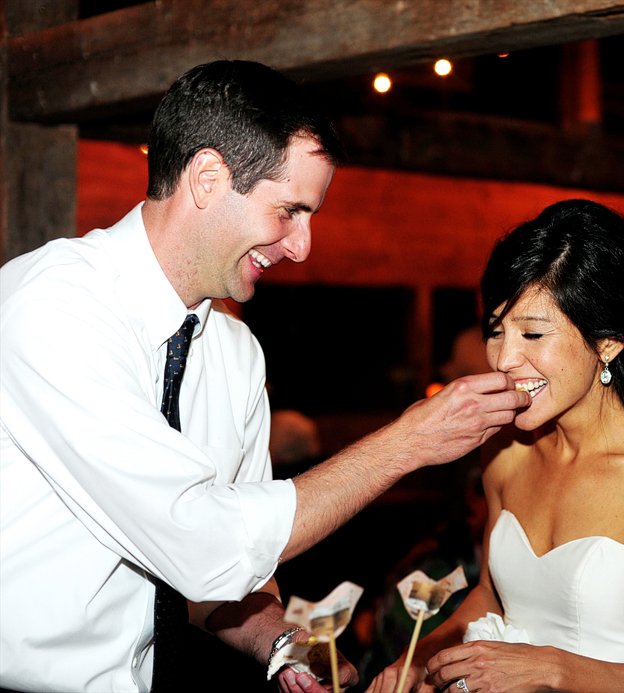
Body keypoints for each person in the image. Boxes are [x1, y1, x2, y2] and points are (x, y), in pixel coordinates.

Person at [0, 60, 530, 693]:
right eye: (289, 211)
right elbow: (204, 543)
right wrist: (409, 442)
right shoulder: (53, 306)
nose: (301, 246)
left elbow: (230, 580)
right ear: (207, 177)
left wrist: (284, 644)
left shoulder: (236, 353)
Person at [367, 199, 624, 693]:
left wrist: (552, 670)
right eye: (496, 331)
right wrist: (423, 659)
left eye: (534, 333)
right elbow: (492, 599)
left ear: (608, 342)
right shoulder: (504, 451)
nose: (505, 359)